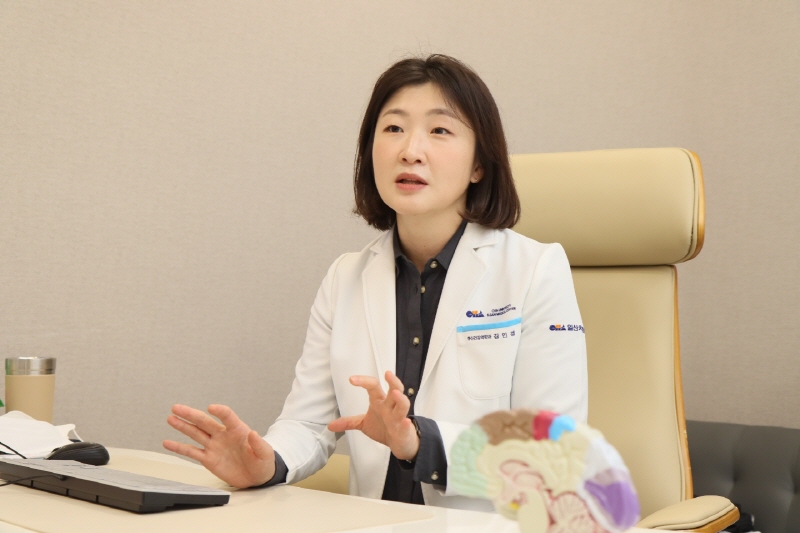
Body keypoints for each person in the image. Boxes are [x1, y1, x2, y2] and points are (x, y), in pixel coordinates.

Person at [163, 54, 587, 511]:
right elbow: (308, 424)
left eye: (439, 130)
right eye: (394, 128)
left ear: (479, 165)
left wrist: (419, 442)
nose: (411, 150)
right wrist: (267, 463)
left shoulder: (535, 270)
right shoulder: (345, 277)